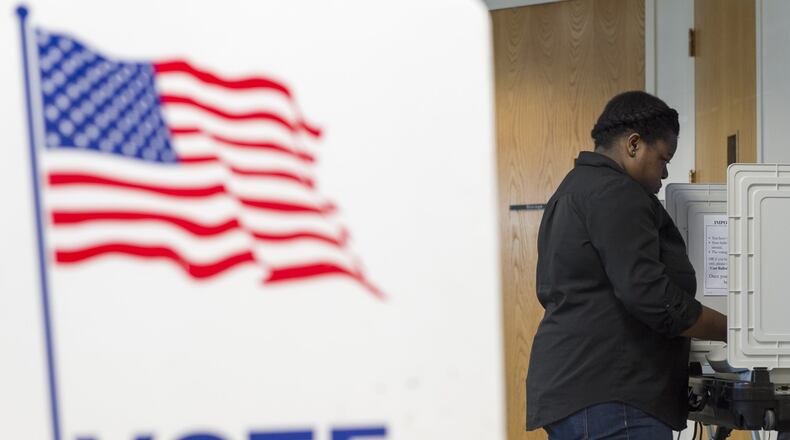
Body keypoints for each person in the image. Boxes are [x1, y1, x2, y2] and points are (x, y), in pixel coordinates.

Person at [525, 91, 727, 439]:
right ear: (634, 144)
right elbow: (652, 296)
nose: (665, 173)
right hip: (614, 399)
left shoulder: (575, 189)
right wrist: (737, 332)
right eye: (664, 159)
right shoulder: (617, 193)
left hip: (581, 390)